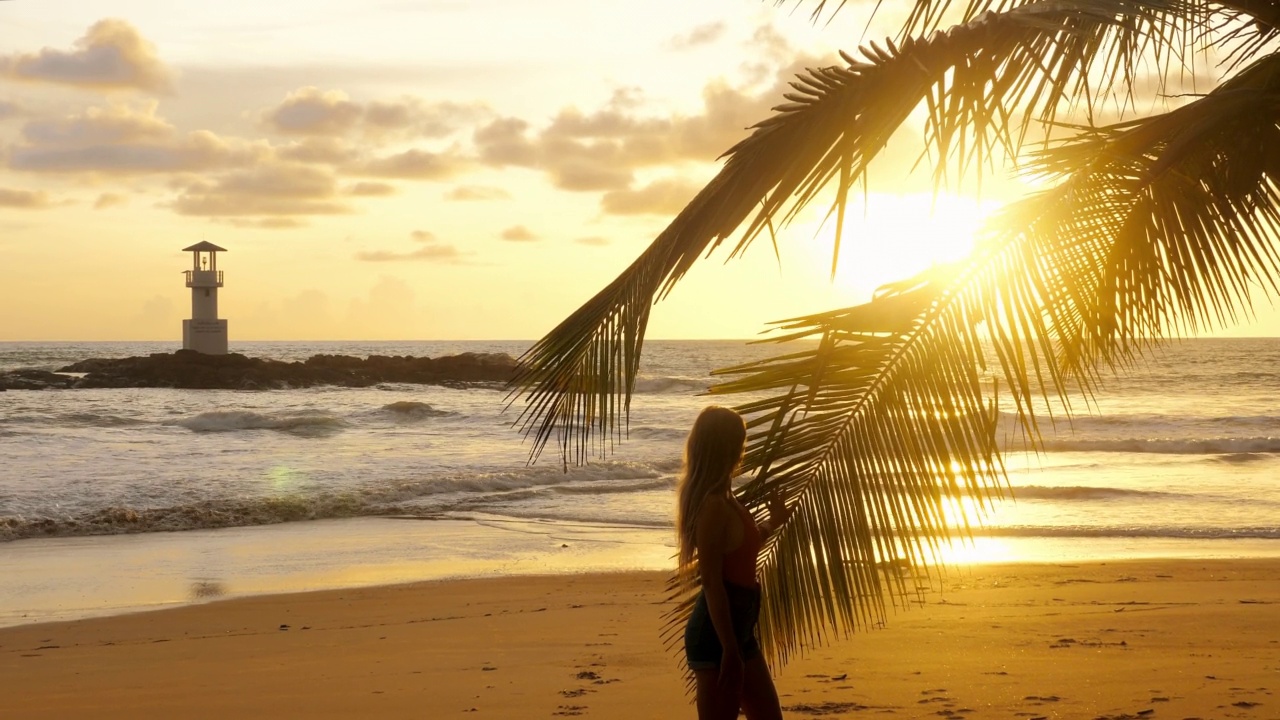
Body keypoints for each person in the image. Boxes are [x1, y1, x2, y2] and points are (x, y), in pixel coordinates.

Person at [677, 405, 789, 720]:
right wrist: (728, 648)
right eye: (740, 441)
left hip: (738, 630)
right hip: (716, 636)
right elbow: (712, 582)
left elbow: (741, 549)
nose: (744, 448)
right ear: (725, 447)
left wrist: (772, 523)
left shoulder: (726, 497)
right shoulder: (712, 506)